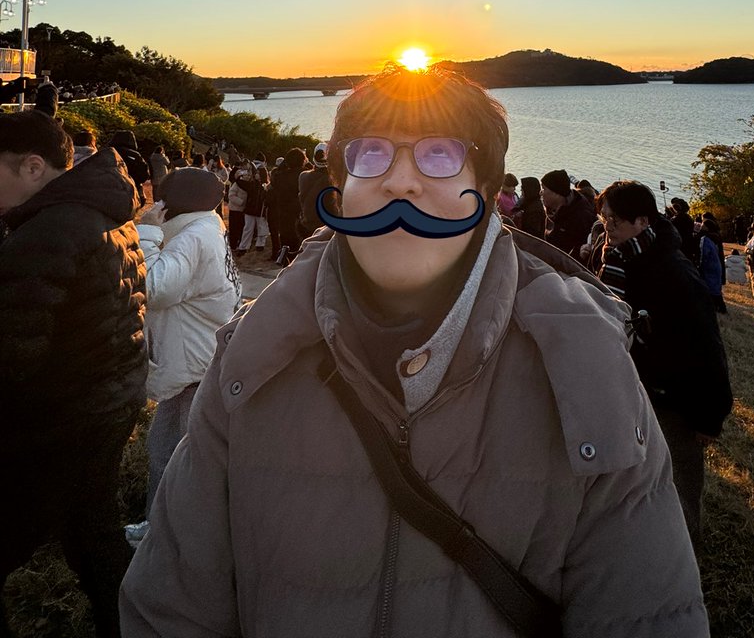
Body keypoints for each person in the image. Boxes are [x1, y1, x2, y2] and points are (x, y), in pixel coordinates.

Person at [121, 65, 707, 636]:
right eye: (371, 152)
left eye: (439, 153)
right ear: (342, 187)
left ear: (483, 191)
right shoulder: (254, 356)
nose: (400, 181)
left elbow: (647, 611)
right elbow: (170, 605)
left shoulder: (586, 370)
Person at [0, 111, 147, 638]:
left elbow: (14, 350)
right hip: (108, 398)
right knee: (94, 532)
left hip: (60, 415)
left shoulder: (48, 232)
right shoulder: (105, 212)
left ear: (32, 166)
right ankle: (132, 622)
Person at [596, 180, 733, 549]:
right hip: (634, 383)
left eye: (614, 221)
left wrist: (709, 416)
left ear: (642, 221)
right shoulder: (617, 256)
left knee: (679, 479)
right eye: (603, 219)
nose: (606, 228)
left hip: (673, 396)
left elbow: (707, 346)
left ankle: (685, 552)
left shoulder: (673, 272)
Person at [125, 169, 242, 546]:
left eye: (160, 198)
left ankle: (165, 533)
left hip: (192, 360)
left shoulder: (191, 238)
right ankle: (168, 526)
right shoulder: (209, 227)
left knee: (171, 452)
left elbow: (155, 286)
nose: (155, 203)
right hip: (200, 354)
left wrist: (146, 231)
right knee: (172, 447)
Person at [539, 168, 595, 258]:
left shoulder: (581, 216)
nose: (541, 193)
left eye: (544, 189)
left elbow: (579, 253)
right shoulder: (552, 210)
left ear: (556, 193)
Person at [110, 130, 152, 207]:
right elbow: (144, 175)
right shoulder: (134, 155)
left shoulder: (106, 152)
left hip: (109, 190)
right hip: (130, 191)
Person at [511, 174, 545, 238]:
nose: (521, 191)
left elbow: (532, 233)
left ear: (529, 190)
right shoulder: (530, 202)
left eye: (523, 189)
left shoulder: (535, 210)